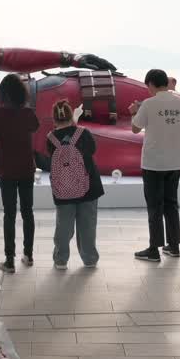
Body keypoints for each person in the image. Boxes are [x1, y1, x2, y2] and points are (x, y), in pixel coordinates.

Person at [130, 69, 180, 262]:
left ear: (151, 84)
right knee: (171, 204)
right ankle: (174, 246)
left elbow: (135, 128)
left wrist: (134, 112)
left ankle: (154, 249)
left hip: (153, 163)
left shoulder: (148, 104)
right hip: (174, 161)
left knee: (155, 207)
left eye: (147, 86)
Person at [0, 74, 40, 273]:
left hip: (6, 169)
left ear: (2, 93)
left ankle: (9, 261)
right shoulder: (28, 113)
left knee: (9, 214)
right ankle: (29, 255)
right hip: (26, 168)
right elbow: (35, 127)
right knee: (28, 212)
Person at [47, 99, 103, 269]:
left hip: (63, 189)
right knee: (87, 225)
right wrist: (75, 124)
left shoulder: (50, 138)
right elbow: (92, 150)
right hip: (88, 186)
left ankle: (61, 260)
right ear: (71, 116)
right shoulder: (83, 133)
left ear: (54, 119)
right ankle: (90, 259)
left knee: (63, 226)